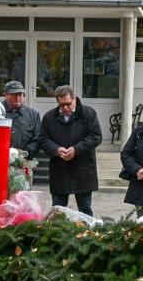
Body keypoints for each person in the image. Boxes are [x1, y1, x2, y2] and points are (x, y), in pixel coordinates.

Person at [40, 85, 103, 216]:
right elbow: (43, 139)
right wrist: (56, 149)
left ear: (74, 99)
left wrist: (76, 149)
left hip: (83, 168)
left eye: (68, 104)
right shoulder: (49, 117)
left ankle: (86, 234)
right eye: (61, 105)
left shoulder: (88, 113)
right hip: (59, 169)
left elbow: (96, 137)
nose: (65, 108)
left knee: (85, 210)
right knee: (57, 211)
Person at [0, 80, 42, 159]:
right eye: (14, 94)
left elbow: (37, 139)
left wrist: (25, 154)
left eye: (20, 94)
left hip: (24, 161)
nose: (17, 98)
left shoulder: (33, 115)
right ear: (5, 95)